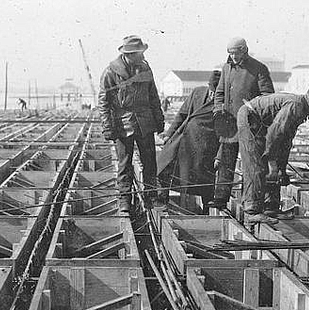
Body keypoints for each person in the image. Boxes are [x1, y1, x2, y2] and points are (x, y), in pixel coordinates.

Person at [236, 84, 309, 223]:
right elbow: (275, 133)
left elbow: (285, 141)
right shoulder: (296, 106)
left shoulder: (302, 109)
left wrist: (282, 168)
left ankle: (270, 208)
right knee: (256, 166)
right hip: (250, 118)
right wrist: (271, 161)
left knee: (273, 169)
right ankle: (252, 211)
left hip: (260, 123)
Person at [98, 34, 165, 212]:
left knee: (150, 162)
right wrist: (107, 126)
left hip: (145, 122)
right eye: (139, 53)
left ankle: (151, 196)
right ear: (129, 54)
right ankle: (125, 200)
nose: (142, 56)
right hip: (122, 123)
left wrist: (159, 121)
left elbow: (153, 96)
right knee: (124, 164)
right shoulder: (111, 72)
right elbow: (103, 102)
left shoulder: (145, 69)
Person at [212, 37, 274, 209]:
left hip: (250, 125)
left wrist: (253, 111)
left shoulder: (258, 69)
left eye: (236, 53)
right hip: (229, 124)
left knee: (251, 165)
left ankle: (251, 201)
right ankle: (221, 198)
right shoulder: (226, 68)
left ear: (245, 50)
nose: (233, 57)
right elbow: (220, 93)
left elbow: (267, 96)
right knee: (225, 161)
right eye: (230, 54)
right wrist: (218, 110)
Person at [157, 70, 221, 212]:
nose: (213, 92)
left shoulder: (224, 102)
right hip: (184, 137)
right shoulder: (197, 92)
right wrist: (169, 134)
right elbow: (182, 114)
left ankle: (207, 209)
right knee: (164, 164)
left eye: (217, 89)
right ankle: (162, 199)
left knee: (204, 177)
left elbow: (225, 133)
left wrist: (219, 156)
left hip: (206, 145)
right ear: (208, 85)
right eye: (212, 88)